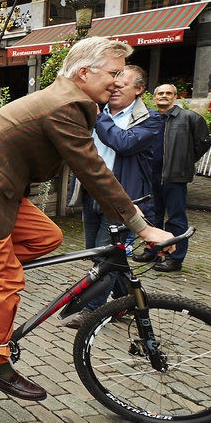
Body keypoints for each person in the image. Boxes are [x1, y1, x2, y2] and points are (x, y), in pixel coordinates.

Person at [0, 37, 173, 401]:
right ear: (84, 72)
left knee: (47, 237)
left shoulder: (73, 100)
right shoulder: (65, 104)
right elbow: (93, 170)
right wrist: (141, 224)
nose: (117, 80)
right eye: (112, 73)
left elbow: (88, 164)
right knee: (5, 281)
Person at [62, 64, 162, 328]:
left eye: (122, 86)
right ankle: (125, 300)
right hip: (90, 194)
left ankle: (92, 311)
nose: (113, 89)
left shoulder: (150, 120)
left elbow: (123, 142)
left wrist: (97, 114)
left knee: (104, 259)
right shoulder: (95, 112)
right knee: (103, 253)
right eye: (112, 85)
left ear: (139, 90)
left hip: (122, 200)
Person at [147, 83, 210, 272]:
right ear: (154, 97)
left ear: (175, 97)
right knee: (152, 216)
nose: (164, 96)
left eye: (168, 93)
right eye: (160, 93)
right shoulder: (150, 118)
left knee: (176, 219)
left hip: (175, 177)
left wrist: (185, 161)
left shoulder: (189, 118)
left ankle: (175, 258)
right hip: (151, 175)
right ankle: (153, 251)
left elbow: (203, 143)